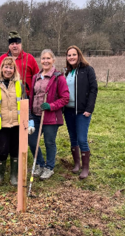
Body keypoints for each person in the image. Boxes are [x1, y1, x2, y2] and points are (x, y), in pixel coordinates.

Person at [0, 31, 40, 163]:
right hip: (5, 101)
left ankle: (18, 155)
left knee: (20, 129)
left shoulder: (30, 59)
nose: (15, 46)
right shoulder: (2, 59)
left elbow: (37, 77)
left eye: (17, 43)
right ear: (9, 46)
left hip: (24, 100)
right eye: (12, 43)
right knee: (1, 126)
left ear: (21, 44)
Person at [0, 57, 35, 186]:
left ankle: (14, 175)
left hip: (17, 125)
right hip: (2, 125)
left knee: (14, 150)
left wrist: (30, 122)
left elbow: (26, 105)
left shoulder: (20, 85)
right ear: (1, 69)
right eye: (6, 67)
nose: (8, 70)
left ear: (14, 70)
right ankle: (0, 175)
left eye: (11, 67)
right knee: (2, 151)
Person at [28, 49, 69, 180]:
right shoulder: (36, 77)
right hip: (35, 116)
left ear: (53, 60)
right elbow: (32, 96)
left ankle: (49, 167)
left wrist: (51, 106)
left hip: (50, 117)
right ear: (40, 60)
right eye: (43, 58)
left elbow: (65, 98)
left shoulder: (58, 77)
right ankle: (39, 164)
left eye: (48, 58)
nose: (45, 61)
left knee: (49, 142)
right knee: (32, 141)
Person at [63, 45, 98, 179]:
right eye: (69, 55)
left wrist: (89, 109)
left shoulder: (87, 70)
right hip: (68, 110)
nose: (71, 57)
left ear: (79, 55)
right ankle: (76, 163)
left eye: (74, 54)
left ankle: (85, 167)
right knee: (73, 138)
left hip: (82, 111)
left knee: (82, 139)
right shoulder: (67, 72)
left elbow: (94, 89)